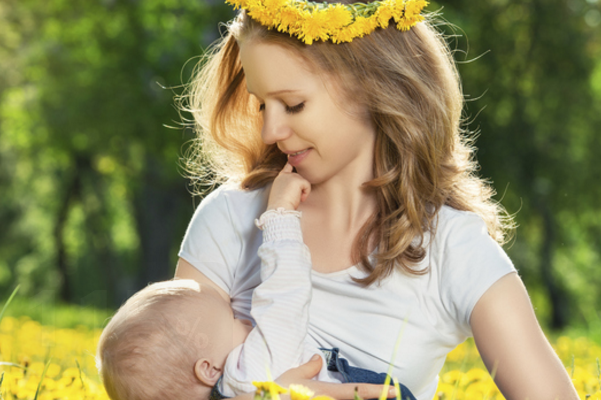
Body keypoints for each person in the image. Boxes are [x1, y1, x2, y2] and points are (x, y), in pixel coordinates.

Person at [175, 1, 580, 399]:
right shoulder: (229, 220)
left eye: (294, 105)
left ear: (375, 87)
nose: (270, 130)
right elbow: (161, 379)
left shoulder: (453, 250)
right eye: (262, 104)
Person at [96, 169, 415, 400]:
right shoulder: (252, 370)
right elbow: (285, 298)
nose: (245, 316)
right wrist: (279, 217)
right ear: (207, 369)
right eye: (233, 319)